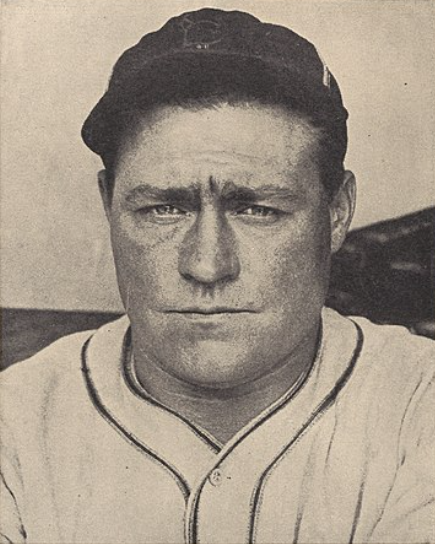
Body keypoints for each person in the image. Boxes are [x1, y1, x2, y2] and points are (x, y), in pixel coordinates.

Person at [0, 8, 433, 544]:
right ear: (108, 203)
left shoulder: (421, 403)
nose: (206, 264)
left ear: (338, 211)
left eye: (257, 210)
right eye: (164, 208)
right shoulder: (13, 426)